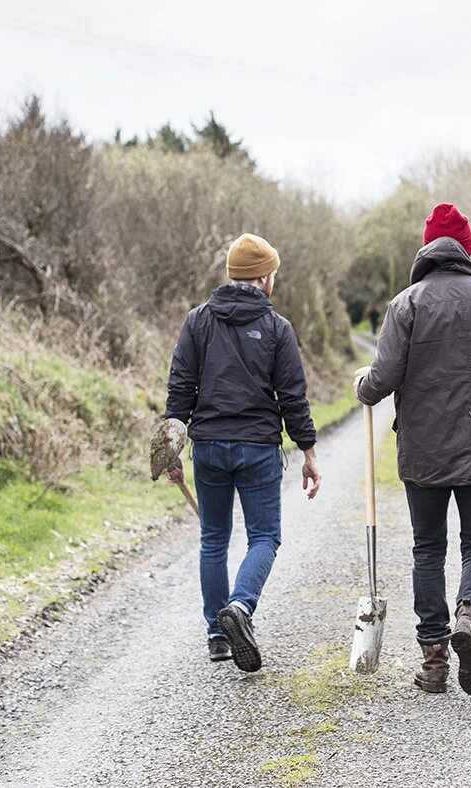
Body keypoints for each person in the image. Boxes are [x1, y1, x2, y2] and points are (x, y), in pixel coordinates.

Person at [355, 203, 471, 696]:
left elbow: (383, 379)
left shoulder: (406, 304)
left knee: (428, 549)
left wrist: (363, 389)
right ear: (467, 249)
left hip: (425, 449)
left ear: (426, 248)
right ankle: (470, 615)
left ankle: (435, 660)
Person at [163, 232, 322, 673]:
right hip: (257, 449)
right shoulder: (277, 328)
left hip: (209, 447)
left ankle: (217, 633)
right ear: (265, 277)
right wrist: (308, 451)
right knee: (265, 537)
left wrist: (171, 450)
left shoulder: (197, 321)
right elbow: (293, 397)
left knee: (213, 538)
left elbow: (180, 389)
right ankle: (240, 607)